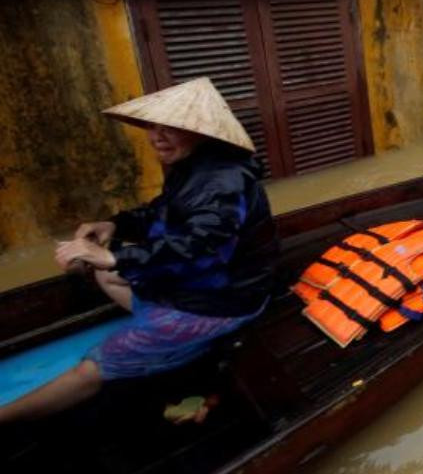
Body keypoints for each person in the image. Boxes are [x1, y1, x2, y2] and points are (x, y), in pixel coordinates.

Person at [0, 77, 277, 424]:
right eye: (152, 126)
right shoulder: (194, 167)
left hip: (224, 301)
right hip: (204, 285)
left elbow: (201, 245)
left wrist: (116, 256)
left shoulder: (222, 181)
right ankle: (175, 341)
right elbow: (161, 211)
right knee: (105, 272)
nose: (155, 136)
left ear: (202, 132)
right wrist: (115, 225)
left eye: (170, 128)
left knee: (90, 369)